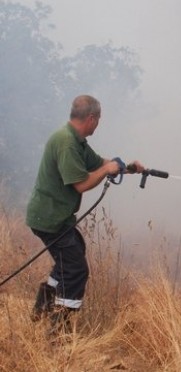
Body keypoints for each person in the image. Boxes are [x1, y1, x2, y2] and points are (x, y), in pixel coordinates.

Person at [26, 95, 144, 333]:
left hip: (57, 217)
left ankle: (41, 310)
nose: (98, 124)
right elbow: (81, 184)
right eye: (98, 119)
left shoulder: (76, 140)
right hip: (49, 219)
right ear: (91, 118)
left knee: (71, 256)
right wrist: (105, 170)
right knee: (76, 270)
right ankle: (59, 333)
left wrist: (128, 168)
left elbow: (99, 162)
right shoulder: (66, 143)